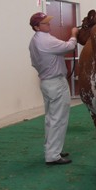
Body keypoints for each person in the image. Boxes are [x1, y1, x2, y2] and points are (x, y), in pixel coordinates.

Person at [29, 12, 79, 165]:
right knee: (58, 119)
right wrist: (73, 34)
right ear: (36, 27)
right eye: (45, 23)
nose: (48, 25)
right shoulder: (46, 40)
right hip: (56, 83)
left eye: (48, 22)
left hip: (46, 82)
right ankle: (53, 156)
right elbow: (69, 46)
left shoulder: (34, 41)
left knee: (51, 118)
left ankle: (53, 150)